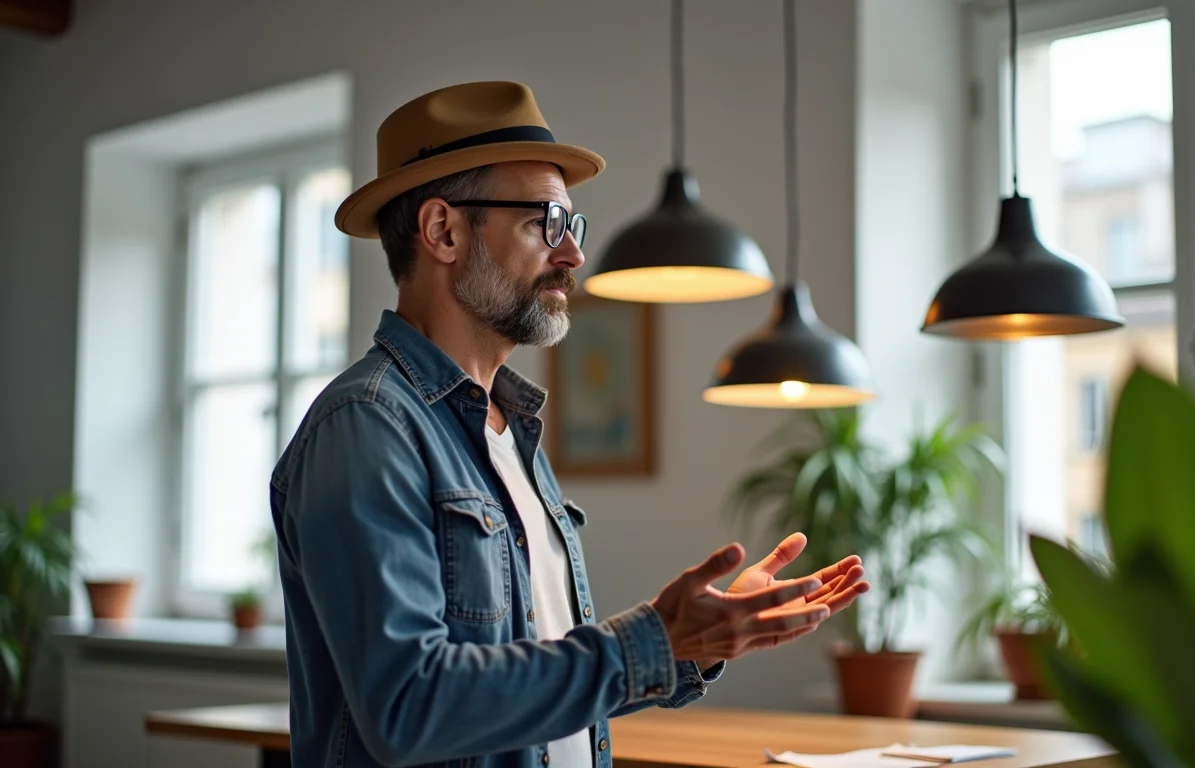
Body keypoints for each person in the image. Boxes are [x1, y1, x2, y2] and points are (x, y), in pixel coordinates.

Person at [269, 81, 870, 768]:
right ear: (443, 231)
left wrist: (692, 643)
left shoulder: (509, 429)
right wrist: (654, 640)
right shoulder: (367, 426)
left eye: (571, 226)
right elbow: (408, 706)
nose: (573, 255)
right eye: (544, 223)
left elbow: (536, 682)